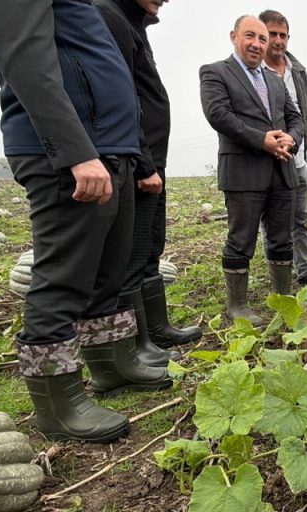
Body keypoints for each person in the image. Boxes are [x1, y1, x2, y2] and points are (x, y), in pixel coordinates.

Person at [0, 0, 171, 443]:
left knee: (108, 269)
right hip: (72, 147)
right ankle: (58, 403)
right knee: (63, 276)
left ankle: (113, 364)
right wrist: (74, 149)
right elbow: (23, 51)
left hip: (107, 143)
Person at [95, 0, 202, 369]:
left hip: (153, 159)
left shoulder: (132, 22)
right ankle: (137, 345)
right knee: (133, 254)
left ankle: (156, 329)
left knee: (151, 248)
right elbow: (121, 99)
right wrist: (143, 163)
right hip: (139, 160)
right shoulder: (109, 16)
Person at [200, 15, 305, 324]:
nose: (257, 44)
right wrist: (262, 141)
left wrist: (291, 139)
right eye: (250, 36)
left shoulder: (274, 79)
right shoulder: (216, 72)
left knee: (282, 238)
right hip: (243, 172)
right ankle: (238, 306)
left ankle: (284, 298)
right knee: (241, 239)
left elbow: (295, 117)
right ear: (234, 36)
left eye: (262, 39)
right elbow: (219, 115)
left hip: (282, 170)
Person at [259, 9, 307, 288]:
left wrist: (296, 140)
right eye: (272, 34)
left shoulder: (298, 71)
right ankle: (279, 276)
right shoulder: (253, 71)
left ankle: (305, 270)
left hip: (297, 158)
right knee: (273, 222)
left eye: (283, 35)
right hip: (268, 160)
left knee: (301, 218)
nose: (278, 40)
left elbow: (303, 112)